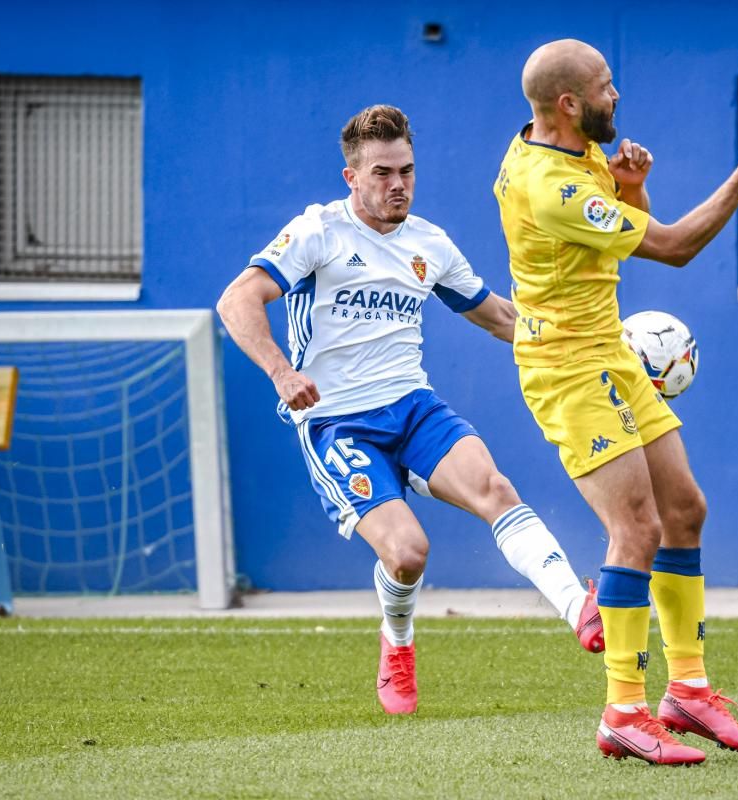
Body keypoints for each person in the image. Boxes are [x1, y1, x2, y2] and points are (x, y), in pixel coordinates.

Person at [217, 104, 603, 716]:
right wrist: (281, 371)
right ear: (352, 177)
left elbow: (501, 317)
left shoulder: (430, 244)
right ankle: (397, 642)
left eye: (407, 171)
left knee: (495, 488)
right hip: (337, 421)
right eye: (381, 173)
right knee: (407, 553)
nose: (397, 184)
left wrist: (586, 341)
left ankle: (578, 607)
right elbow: (238, 299)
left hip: (413, 408)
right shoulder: (318, 232)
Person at [493, 39, 738, 765]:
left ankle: (686, 690)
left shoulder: (570, 148)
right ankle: (622, 708)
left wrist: (626, 189)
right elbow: (675, 247)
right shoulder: (549, 185)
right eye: (605, 85)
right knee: (636, 529)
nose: (615, 95)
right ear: (569, 104)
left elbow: (616, 238)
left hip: (610, 353)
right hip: (566, 368)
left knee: (684, 510)